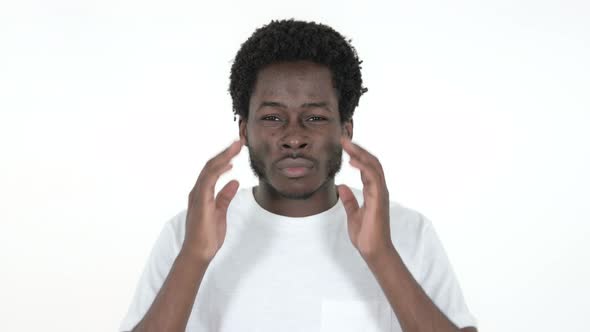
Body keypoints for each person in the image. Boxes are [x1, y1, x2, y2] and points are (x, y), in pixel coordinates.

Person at [119, 19, 478, 332]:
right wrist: (194, 258)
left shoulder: (408, 232)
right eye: (273, 117)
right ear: (244, 131)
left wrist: (381, 255)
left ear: (346, 129)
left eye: (316, 117)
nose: (294, 137)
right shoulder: (188, 233)